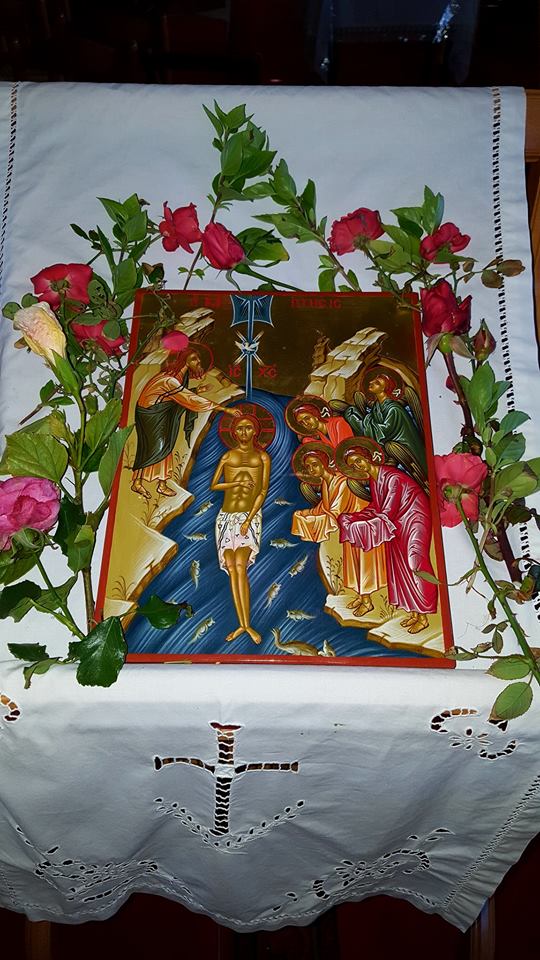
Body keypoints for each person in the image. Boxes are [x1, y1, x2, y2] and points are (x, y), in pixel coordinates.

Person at [337, 439, 437, 634]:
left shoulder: (392, 478)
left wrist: (363, 524)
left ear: (368, 457)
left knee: (415, 560)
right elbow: (377, 507)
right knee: (399, 565)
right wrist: (355, 517)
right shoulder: (375, 481)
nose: (358, 466)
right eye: (353, 465)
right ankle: (415, 612)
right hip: (398, 523)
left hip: (414, 518)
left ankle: (424, 615)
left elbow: (388, 511)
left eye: (358, 460)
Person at [291, 446, 386, 616]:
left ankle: (367, 602)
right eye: (308, 467)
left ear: (324, 463)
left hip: (363, 529)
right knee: (354, 564)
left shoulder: (341, 482)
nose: (312, 469)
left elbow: (334, 512)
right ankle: (361, 597)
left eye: (315, 464)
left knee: (364, 565)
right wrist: (306, 514)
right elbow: (323, 508)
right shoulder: (326, 483)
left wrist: (311, 519)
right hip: (351, 529)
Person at [131, 345, 233, 499]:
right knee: (155, 447)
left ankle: (157, 484)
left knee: (162, 447)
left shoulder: (178, 377)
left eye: (198, 358)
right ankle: (141, 483)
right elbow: (188, 399)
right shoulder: (170, 379)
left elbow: (175, 395)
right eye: (194, 359)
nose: (198, 362)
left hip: (159, 412)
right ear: (184, 361)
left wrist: (197, 390)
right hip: (151, 414)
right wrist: (224, 409)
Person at [211, 412, 271, 645]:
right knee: (232, 569)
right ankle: (241, 625)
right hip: (226, 516)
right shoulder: (227, 456)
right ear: (234, 432)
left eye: (248, 427)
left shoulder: (262, 457)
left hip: (249, 516)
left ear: (255, 431)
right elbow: (214, 485)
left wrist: (249, 520)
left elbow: (263, 491)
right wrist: (237, 482)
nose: (244, 432)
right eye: (239, 428)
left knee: (240, 566)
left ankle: (248, 625)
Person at [345, 372, 426, 479]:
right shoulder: (377, 406)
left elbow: (384, 431)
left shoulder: (394, 409)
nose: (371, 382)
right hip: (388, 449)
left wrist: (359, 423)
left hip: (404, 450)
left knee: (391, 447)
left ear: (384, 388)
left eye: (377, 383)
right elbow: (371, 423)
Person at [286, 396, 353, 449]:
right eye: (301, 422)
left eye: (307, 418)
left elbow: (343, 450)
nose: (306, 423)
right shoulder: (320, 433)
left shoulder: (338, 423)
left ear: (316, 415)